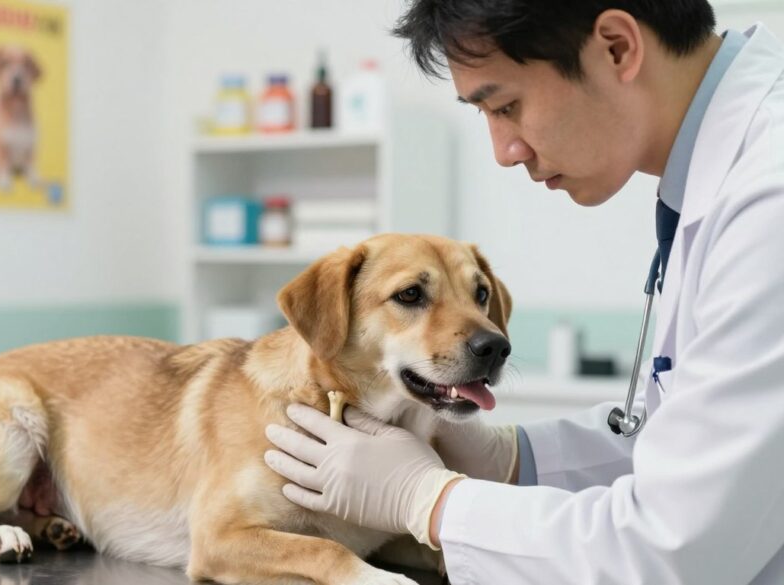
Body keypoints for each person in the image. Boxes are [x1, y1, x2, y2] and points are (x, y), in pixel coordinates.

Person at [263, 1, 784, 583]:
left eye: (506, 106)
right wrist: (513, 458)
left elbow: (674, 548)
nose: (504, 151)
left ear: (616, 47)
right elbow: (683, 438)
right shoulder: (724, 179)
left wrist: (428, 501)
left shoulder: (771, 199)